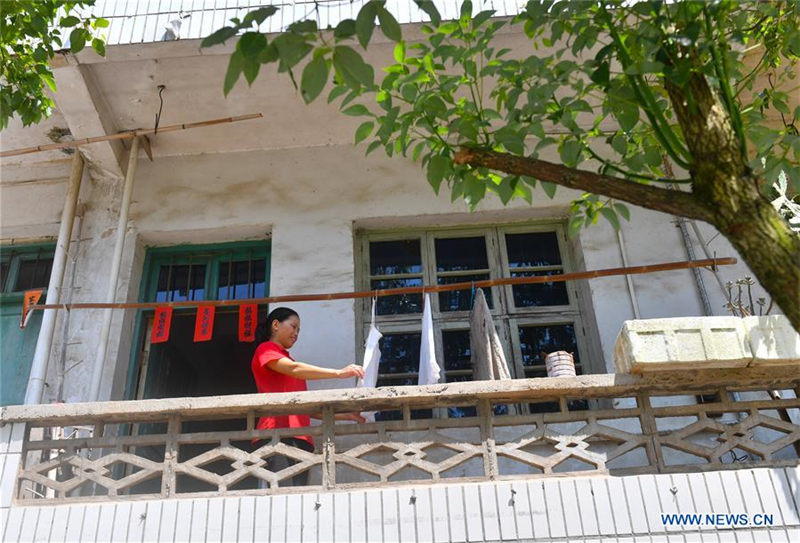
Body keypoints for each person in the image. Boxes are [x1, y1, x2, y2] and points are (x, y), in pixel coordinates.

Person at [251, 306, 365, 487]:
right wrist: (338, 373)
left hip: (301, 440)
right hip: (276, 436)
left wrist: (347, 416)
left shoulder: (288, 361)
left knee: (297, 501)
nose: (296, 333)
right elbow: (295, 370)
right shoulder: (266, 350)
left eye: (299, 330)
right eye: (293, 326)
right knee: (283, 500)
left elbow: (305, 410)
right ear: (275, 325)